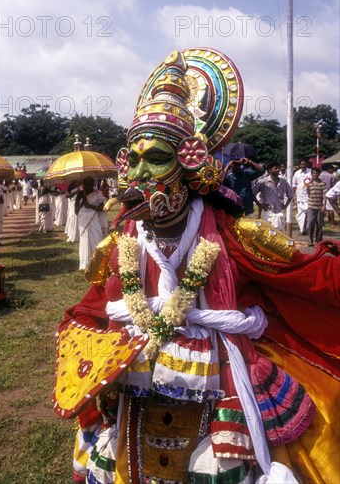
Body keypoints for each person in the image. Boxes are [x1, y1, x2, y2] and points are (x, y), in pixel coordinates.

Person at [54, 49, 340, 484]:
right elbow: (92, 309)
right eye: (134, 159)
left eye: (158, 157)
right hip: (136, 389)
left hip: (221, 385)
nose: (140, 176)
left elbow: (306, 276)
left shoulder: (231, 235)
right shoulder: (122, 242)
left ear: (189, 163)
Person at [75, 177, 106, 271]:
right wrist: (82, 204)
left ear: (93, 184)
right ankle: (86, 263)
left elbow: (103, 208)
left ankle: (97, 260)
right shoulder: (80, 195)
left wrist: (91, 206)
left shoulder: (97, 193)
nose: (88, 186)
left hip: (94, 219)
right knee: (85, 239)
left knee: (97, 237)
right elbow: (76, 211)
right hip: (83, 222)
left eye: (90, 183)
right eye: (86, 184)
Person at [252, 162, 293, 231]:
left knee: (280, 234)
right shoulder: (263, 182)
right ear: (269, 170)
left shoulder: (283, 182)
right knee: (269, 235)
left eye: (278, 168)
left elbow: (290, 195)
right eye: (275, 168)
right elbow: (252, 194)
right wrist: (260, 205)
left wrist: (285, 206)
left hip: (280, 212)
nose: (278, 170)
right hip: (268, 212)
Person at [306, 167, 328, 247]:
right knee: (310, 223)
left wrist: (324, 205)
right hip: (311, 206)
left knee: (319, 224)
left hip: (320, 207)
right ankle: (310, 239)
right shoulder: (309, 184)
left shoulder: (323, 183)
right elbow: (308, 193)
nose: (315, 175)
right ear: (311, 174)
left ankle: (318, 241)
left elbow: (325, 195)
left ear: (319, 174)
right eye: (313, 173)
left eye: (316, 173)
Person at [292, 160, 312, 235]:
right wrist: (294, 195)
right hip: (300, 196)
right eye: (301, 164)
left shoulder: (310, 172)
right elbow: (294, 185)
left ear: (306, 164)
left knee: (309, 214)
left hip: (309, 196)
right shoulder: (297, 173)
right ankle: (302, 230)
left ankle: (309, 229)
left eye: (304, 164)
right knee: (301, 214)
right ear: (299, 165)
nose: (303, 166)